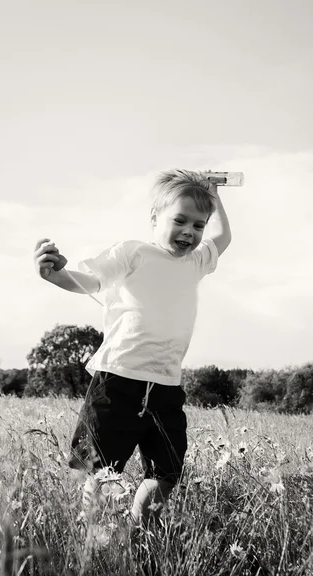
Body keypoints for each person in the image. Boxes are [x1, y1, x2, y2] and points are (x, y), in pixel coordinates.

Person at [33, 168, 232, 529]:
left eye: (198, 226)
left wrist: (214, 193)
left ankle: (140, 532)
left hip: (166, 387)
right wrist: (57, 275)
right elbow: (91, 281)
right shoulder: (134, 253)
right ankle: (92, 534)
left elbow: (223, 236)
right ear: (155, 219)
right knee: (99, 470)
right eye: (180, 221)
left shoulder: (196, 262)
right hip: (118, 381)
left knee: (167, 471)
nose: (190, 231)